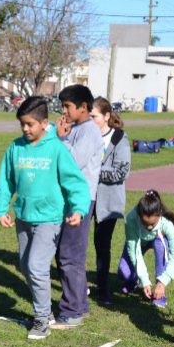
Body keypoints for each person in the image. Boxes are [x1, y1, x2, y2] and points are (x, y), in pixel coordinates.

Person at [0, 97, 91, 340]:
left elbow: (74, 181)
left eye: (30, 125)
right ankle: (43, 311)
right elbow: (6, 181)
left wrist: (78, 209)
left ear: (44, 122)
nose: (25, 129)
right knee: (26, 266)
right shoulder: (15, 148)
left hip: (49, 218)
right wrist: (1, 208)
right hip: (24, 217)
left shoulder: (56, 148)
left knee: (37, 266)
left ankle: (42, 319)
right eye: (22, 125)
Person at [52, 84, 103, 329]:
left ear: (83, 107)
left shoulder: (89, 132)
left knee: (69, 256)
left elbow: (73, 162)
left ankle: (72, 311)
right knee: (68, 254)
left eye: (67, 106)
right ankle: (79, 303)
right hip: (69, 199)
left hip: (80, 201)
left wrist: (61, 138)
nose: (64, 111)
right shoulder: (76, 129)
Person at [91, 97, 130, 304]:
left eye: (94, 116)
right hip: (84, 198)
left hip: (108, 202)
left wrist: (93, 169)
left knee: (102, 245)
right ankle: (76, 285)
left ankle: (103, 289)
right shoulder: (85, 135)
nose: (90, 120)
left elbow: (121, 172)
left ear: (106, 116)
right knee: (72, 243)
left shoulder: (119, 138)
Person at [117, 190, 174, 308]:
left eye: (152, 224)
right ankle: (134, 281)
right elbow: (134, 251)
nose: (148, 227)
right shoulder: (131, 218)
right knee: (124, 272)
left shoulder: (166, 223)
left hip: (158, 240)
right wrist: (145, 280)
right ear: (139, 215)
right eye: (144, 223)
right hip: (138, 242)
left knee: (160, 246)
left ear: (160, 214)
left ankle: (160, 292)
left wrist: (163, 281)